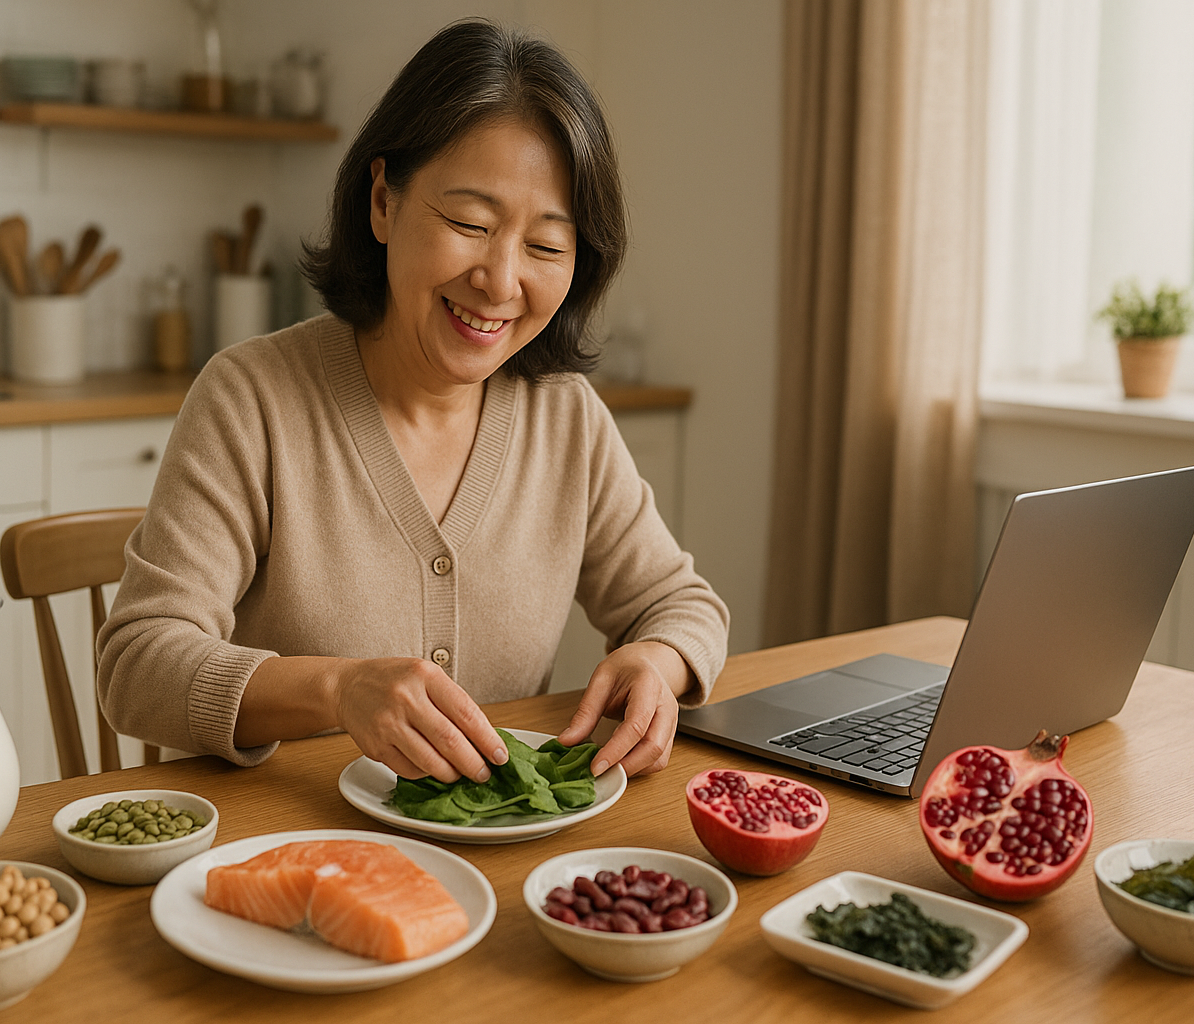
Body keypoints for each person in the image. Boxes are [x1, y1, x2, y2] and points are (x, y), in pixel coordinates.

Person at [97, 20, 728, 785]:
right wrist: (337, 688)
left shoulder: (566, 417)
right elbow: (137, 665)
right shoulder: (252, 399)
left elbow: (681, 603)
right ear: (384, 202)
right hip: (290, 845)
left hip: (503, 861)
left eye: (545, 246)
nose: (500, 281)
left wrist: (658, 661)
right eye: (470, 224)